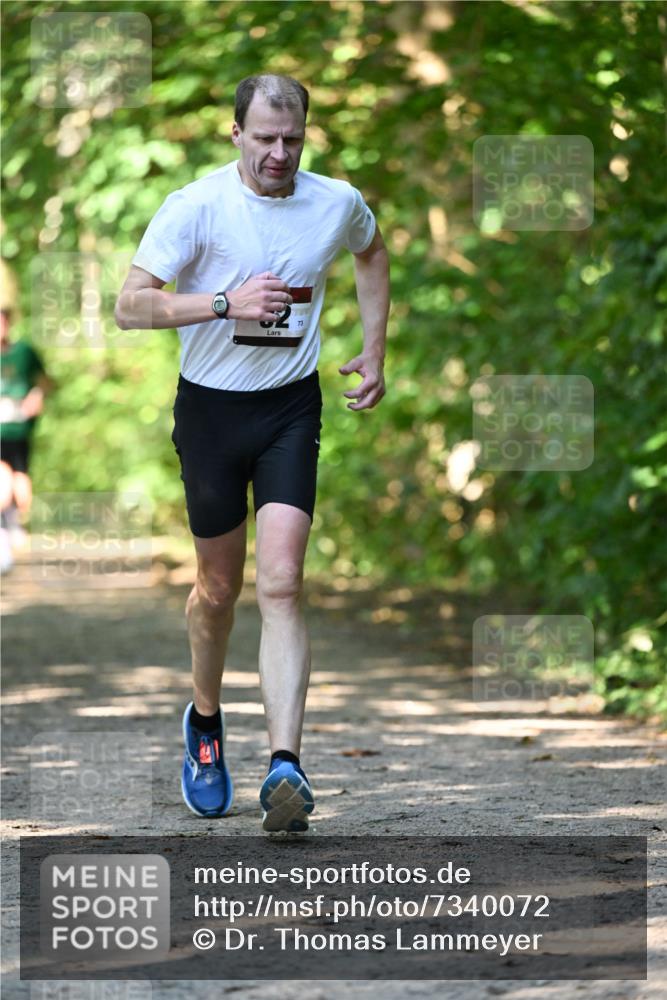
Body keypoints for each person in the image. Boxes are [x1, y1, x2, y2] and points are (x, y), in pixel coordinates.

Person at [115, 74, 390, 832]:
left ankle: (285, 766)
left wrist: (373, 349)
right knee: (217, 590)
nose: (278, 153)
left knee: (282, 583)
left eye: (291, 139)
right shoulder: (195, 207)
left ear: (306, 135)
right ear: (234, 132)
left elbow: (371, 253)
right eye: (264, 138)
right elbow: (129, 305)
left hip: (289, 408)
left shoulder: (334, 201)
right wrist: (222, 302)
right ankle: (205, 724)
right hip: (209, 412)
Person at [0, 261, 52, 574]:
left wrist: (36, 396)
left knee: (19, 476)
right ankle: (8, 524)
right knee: (3, 475)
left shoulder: (23, 352)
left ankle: (15, 522)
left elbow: (45, 381)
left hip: (19, 425)